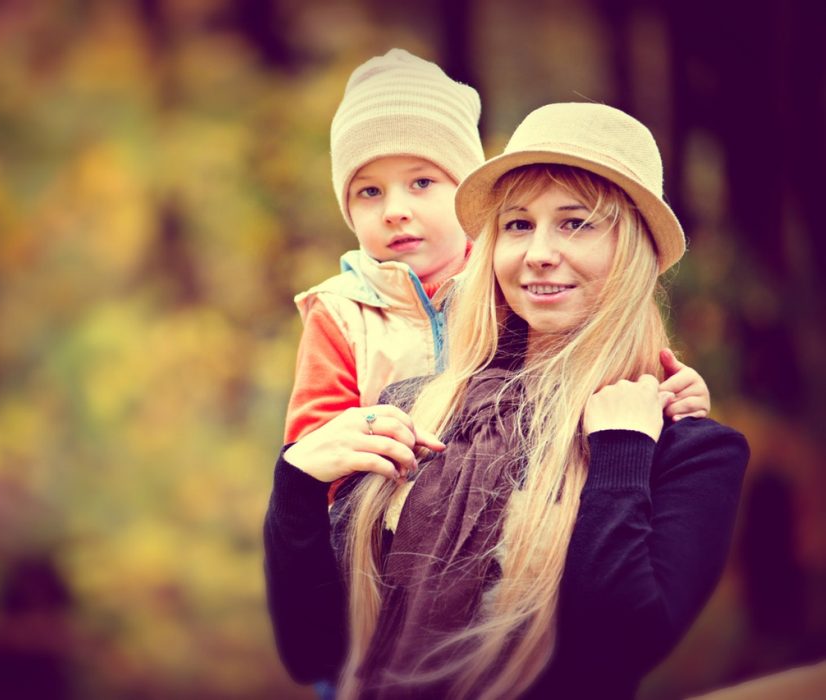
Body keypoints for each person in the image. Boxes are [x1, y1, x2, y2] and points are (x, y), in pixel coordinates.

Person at [264, 102, 750, 699]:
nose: (538, 252)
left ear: (634, 250)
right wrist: (297, 486)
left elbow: (619, 647)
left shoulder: (687, 451)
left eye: (576, 223)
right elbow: (314, 650)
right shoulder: (417, 409)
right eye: (518, 225)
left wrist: (620, 453)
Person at [284, 49, 710, 460]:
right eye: (369, 191)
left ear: (465, 194)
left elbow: (596, 348)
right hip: (382, 488)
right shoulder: (341, 311)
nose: (395, 211)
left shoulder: (508, 282)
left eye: (422, 183)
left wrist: (672, 390)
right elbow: (314, 443)